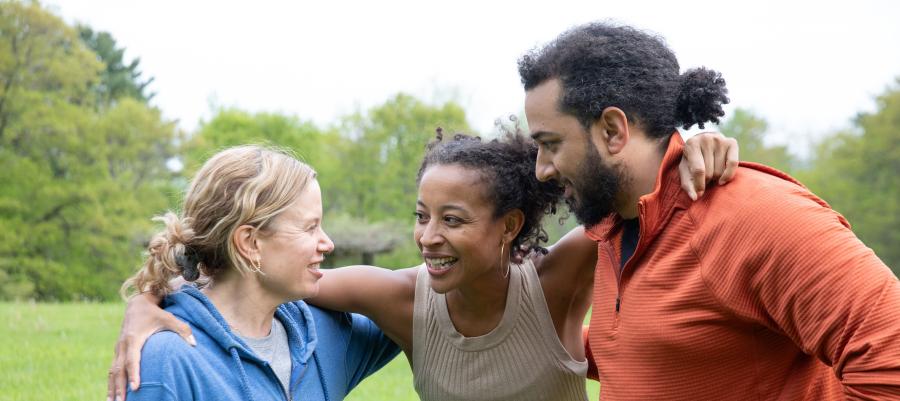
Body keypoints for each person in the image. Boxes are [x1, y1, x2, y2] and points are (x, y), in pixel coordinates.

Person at [108, 128, 739, 401]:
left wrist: (690, 147)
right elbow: (229, 289)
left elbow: (635, 205)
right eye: (309, 227)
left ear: (509, 228)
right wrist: (149, 302)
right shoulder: (168, 362)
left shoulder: (316, 334)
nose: (428, 238)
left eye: (454, 220)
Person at [518, 21, 900, 400]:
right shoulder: (612, 230)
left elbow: (890, 360)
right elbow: (658, 355)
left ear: (614, 131)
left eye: (551, 143)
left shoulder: (756, 216)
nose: (542, 169)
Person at [118, 145, 399, 401]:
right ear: (250, 243)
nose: (327, 244)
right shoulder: (168, 361)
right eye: (310, 227)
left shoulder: (325, 334)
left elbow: (420, 297)